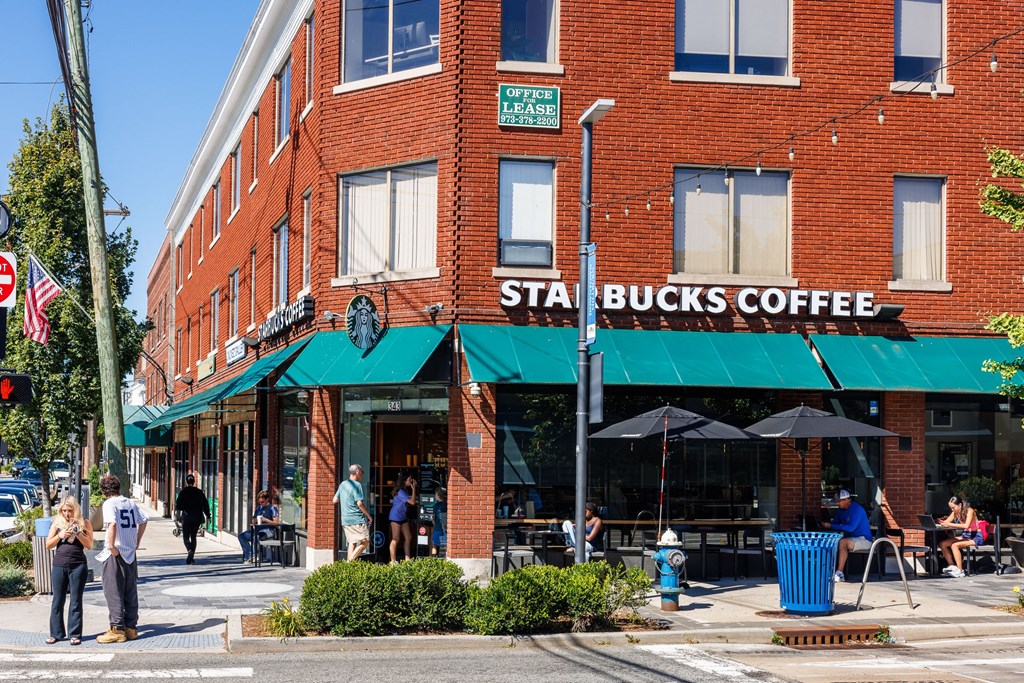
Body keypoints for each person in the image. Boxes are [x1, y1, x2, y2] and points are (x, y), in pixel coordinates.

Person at [95, 474, 148, 644]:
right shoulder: (130, 502)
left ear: (104, 490)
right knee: (130, 590)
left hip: (115, 553)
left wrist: (111, 546)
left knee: (113, 591)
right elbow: (144, 520)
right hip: (130, 553)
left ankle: (117, 628)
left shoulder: (110, 503)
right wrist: (137, 541)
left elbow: (112, 524)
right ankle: (131, 627)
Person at [45, 496, 94, 646]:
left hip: (78, 565)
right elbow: (48, 545)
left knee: (75, 601)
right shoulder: (57, 524)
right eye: (64, 510)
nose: (67, 514)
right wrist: (60, 536)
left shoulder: (85, 523)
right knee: (57, 600)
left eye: (70, 510)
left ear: (76, 510)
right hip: (59, 565)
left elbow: (90, 545)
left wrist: (79, 533)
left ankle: (75, 634)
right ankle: (56, 633)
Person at [821, 489, 872, 582]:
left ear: (846, 500)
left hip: (864, 539)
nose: (837, 504)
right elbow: (834, 524)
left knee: (843, 542)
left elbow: (850, 528)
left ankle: (840, 573)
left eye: (839, 502)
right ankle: (828, 571)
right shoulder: (840, 510)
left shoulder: (857, 509)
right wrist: (826, 525)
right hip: (850, 538)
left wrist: (831, 525)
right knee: (833, 541)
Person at [333, 464, 372, 561]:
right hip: (356, 519)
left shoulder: (343, 484)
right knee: (366, 542)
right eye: (362, 472)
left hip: (345, 519)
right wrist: (369, 516)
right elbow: (359, 503)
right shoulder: (356, 485)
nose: (362, 475)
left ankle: (348, 569)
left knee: (352, 542)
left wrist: (346, 498)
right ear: (357, 472)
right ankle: (349, 563)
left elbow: (334, 500)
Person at [938, 495, 983, 578]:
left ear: (960, 505)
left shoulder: (970, 511)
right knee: (942, 544)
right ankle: (952, 566)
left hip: (975, 536)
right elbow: (947, 522)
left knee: (955, 545)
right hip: (966, 535)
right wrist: (942, 523)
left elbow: (966, 526)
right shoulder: (955, 512)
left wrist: (949, 524)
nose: (952, 510)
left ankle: (960, 570)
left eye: (953, 507)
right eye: (950, 508)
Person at [174, 473, 210, 565]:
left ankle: (189, 550)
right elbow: (205, 504)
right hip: (197, 517)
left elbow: (178, 505)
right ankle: (192, 556)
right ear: (194, 482)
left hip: (187, 516)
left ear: (186, 482)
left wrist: (180, 511)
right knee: (193, 536)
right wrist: (208, 515)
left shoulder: (183, 492)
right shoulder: (199, 492)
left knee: (186, 536)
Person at [238, 490, 279, 563]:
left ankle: (252, 557)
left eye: (262, 502)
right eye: (259, 502)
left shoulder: (272, 508)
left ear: (267, 499)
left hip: (268, 530)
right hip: (258, 529)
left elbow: (276, 523)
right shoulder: (258, 508)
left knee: (256, 537)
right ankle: (251, 556)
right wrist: (254, 521)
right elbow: (253, 520)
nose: (261, 503)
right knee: (242, 536)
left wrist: (265, 519)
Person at [388, 472, 418, 563]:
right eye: (409, 479)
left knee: (408, 536)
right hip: (396, 517)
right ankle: (393, 561)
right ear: (404, 481)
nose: (411, 481)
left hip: (402, 516)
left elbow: (411, 501)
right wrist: (414, 489)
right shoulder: (401, 491)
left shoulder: (404, 489)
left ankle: (407, 559)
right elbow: (412, 502)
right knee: (396, 538)